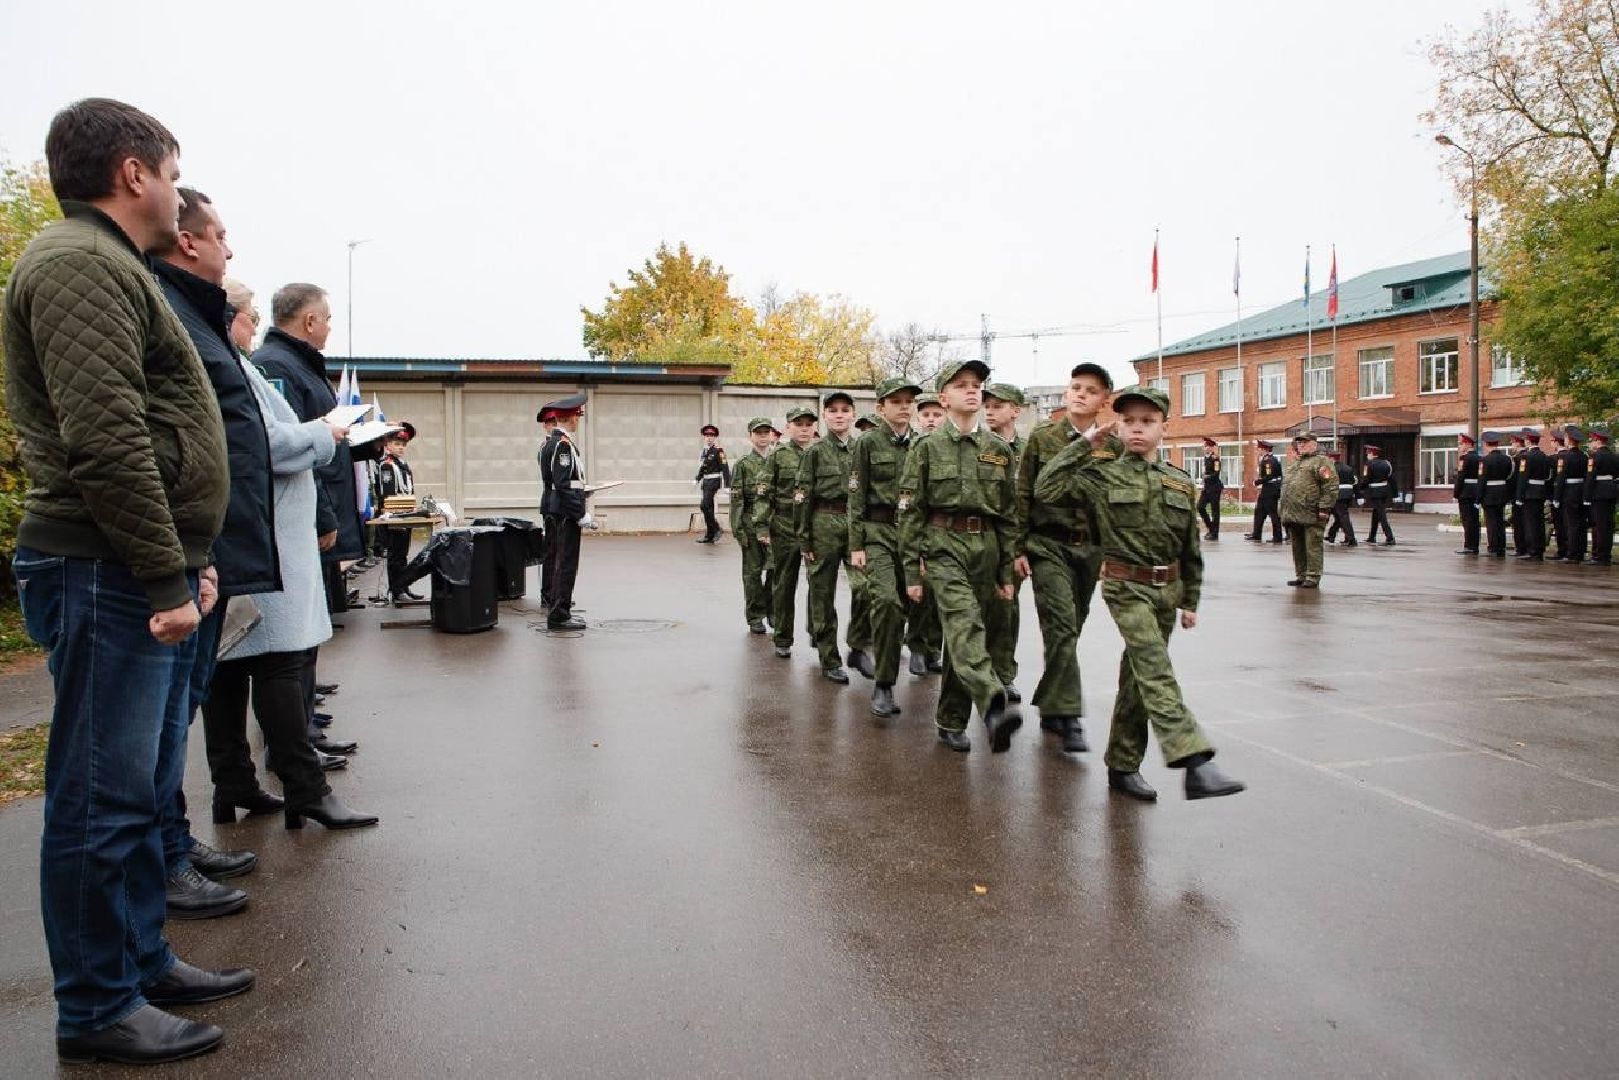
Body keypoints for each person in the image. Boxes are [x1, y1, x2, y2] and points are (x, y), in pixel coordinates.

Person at [5, 97, 247, 1065]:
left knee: (138, 790)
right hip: (103, 569)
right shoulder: (77, 263)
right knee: (100, 800)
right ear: (134, 172)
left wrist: (191, 554)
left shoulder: (112, 264)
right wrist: (162, 577)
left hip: (133, 564)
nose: (181, 194)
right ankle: (98, 1001)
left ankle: (141, 961)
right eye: (173, 172)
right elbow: (106, 443)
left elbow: (155, 428)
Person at [202, 288, 379, 835]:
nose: (254, 327)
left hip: (251, 531)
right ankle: (305, 788)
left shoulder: (237, 361)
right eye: (250, 316)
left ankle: (234, 783)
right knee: (280, 661)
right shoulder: (246, 363)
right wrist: (325, 433)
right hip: (266, 533)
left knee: (230, 667)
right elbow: (267, 445)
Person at [1035, 385, 1245, 803]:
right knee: (1154, 666)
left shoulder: (1179, 482)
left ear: (1165, 428)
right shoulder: (1101, 475)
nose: (1136, 429)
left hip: (1167, 590)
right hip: (1125, 586)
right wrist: (1085, 444)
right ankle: (1193, 761)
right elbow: (1046, 488)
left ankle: (1123, 765)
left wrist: (1190, 600)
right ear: (1117, 426)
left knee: (1137, 678)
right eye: (1128, 421)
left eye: (1147, 421)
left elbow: (1189, 548)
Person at [149, 188, 269, 921]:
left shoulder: (194, 314)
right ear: (189, 241)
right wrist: (184, 560)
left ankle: (172, 841)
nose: (230, 246)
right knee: (159, 725)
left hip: (205, 547)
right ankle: (161, 861)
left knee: (178, 710)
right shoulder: (168, 309)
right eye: (220, 234)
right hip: (183, 553)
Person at [253, 285, 371, 753]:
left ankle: (304, 728)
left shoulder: (298, 364)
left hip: (313, 511)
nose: (328, 327)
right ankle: (296, 742)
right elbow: (294, 449)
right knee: (292, 643)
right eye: (326, 319)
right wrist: (324, 517)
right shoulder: (278, 367)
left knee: (306, 635)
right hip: (300, 518)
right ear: (308, 321)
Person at [897, 359, 1020, 754]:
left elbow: (1008, 514)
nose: (972, 390)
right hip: (943, 545)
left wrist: (1005, 572)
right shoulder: (927, 447)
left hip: (986, 548)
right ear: (944, 397)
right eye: (962, 384)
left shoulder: (998, 450)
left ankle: (951, 719)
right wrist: (911, 571)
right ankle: (993, 704)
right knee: (965, 623)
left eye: (977, 384)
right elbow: (910, 511)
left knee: (961, 637)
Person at [1012, 362, 1113, 753]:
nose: (1081, 394)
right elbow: (1023, 493)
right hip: (1047, 545)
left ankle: (1052, 703)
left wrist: (1110, 553)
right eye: (1076, 387)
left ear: (1104, 400)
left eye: (1091, 390)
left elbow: (1113, 505)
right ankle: (1069, 715)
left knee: (1072, 627)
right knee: (1061, 626)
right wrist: (1018, 547)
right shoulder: (1043, 438)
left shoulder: (1113, 445)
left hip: (1089, 550)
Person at [848, 377, 922, 717]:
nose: (904, 407)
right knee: (887, 602)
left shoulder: (922, 444)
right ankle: (884, 684)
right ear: (881, 408)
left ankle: (902, 655)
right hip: (877, 532)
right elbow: (856, 496)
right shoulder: (867, 443)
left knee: (907, 604)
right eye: (896, 401)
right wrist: (857, 544)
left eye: (909, 401)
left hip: (911, 535)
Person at [795, 391, 872, 682]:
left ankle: (857, 644)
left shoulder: (863, 449)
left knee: (866, 588)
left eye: (845, 410)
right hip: (823, 524)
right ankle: (829, 658)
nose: (839, 415)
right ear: (824, 416)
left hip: (855, 526)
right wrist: (804, 538)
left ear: (853, 414)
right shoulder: (815, 452)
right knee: (822, 595)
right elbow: (802, 497)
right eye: (833, 410)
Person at [752, 406, 818, 658]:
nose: (804, 428)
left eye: (808, 424)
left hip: (815, 528)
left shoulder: (821, 453)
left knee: (819, 584)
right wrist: (761, 525)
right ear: (788, 427)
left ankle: (817, 631)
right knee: (784, 584)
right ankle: (782, 637)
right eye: (798, 424)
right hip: (784, 526)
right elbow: (763, 492)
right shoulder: (778, 456)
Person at [982, 382, 1026, 702]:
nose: (989, 411)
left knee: (1006, 609)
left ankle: (1003, 673)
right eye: (987, 406)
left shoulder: (1030, 452)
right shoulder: (979, 446)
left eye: (997, 406)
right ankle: (975, 673)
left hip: (1015, 543)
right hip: (982, 538)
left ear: (1015, 411)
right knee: (974, 609)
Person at [539, 393, 590, 630]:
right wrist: (580, 513)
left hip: (559, 508)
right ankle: (559, 615)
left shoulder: (553, 443)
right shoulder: (562, 445)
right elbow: (563, 484)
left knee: (560, 560)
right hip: (565, 511)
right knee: (566, 563)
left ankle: (560, 610)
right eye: (577, 416)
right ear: (571, 418)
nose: (578, 420)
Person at [905, 392, 947, 675]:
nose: (931, 420)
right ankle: (918, 647)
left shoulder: (952, 446)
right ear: (918, 418)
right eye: (926, 415)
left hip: (946, 530)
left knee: (941, 595)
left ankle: (934, 648)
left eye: (937, 415)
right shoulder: (914, 447)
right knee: (920, 592)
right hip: (920, 526)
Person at [730, 418, 777, 633]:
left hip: (775, 524)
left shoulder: (778, 459)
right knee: (752, 574)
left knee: (776, 572)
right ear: (751, 436)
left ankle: (773, 611)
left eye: (766, 432)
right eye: (758, 433)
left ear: (772, 435)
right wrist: (738, 530)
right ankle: (755, 616)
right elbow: (737, 500)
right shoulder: (743, 464)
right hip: (750, 524)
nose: (763, 436)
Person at [1280, 433, 1338, 588]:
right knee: (1297, 546)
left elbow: (1330, 487)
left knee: (1313, 545)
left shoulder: (1321, 462)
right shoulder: (1296, 463)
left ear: (1314, 444)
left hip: (1312, 512)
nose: (1301, 445)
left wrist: (1325, 508)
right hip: (1293, 513)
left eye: (1305, 442)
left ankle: (1313, 576)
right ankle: (1301, 575)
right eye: (1299, 442)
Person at [374, 423, 420, 600]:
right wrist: (397, 513)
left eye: (403, 444)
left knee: (403, 554)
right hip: (394, 515)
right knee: (395, 555)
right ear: (387, 445)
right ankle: (397, 590)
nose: (401, 448)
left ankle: (403, 586)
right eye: (397, 444)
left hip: (405, 514)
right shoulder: (387, 465)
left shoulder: (402, 464)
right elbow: (388, 494)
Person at [1514, 429, 1551, 560]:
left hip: (1529, 492)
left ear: (1528, 441)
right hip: (1540, 491)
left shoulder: (1526, 457)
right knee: (1539, 522)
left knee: (1530, 523)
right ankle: (1539, 549)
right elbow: (1547, 475)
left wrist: (1519, 496)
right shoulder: (1544, 456)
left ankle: (1532, 551)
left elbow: (1523, 478)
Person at [1555, 425, 1589, 563]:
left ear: (1568, 439)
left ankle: (1572, 553)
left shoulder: (1564, 457)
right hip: (1581, 491)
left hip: (1569, 492)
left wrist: (1557, 497)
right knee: (1581, 523)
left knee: (1571, 524)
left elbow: (1560, 478)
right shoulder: (1584, 456)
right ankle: (1580, 552)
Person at [1584, 427, 1616, 566]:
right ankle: (1606, 554)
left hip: (1598, 493)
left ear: (1597, 441)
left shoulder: (1594, 456)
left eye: (1592, 440)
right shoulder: (1614, 456)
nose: (1591, 443)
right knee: (1608, 525)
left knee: (1599, 525)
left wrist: (1586, 496)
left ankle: (1599, 556)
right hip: (1611, 492)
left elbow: (1590, 478)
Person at [693, 424, 730, 544]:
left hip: (714, 481)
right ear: (704, 437)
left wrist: (727, 485)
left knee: (705, 505)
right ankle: (710, 534)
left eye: (711, 435)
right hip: (706, 482)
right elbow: (703, 467)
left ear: (715, 437)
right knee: (706, 507)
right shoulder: (704, 451)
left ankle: (716, 528)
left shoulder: (718, 451)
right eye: (707, 435)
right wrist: (698, 478)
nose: (709, 437)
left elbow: (725, 467)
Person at [1479, 432, 1513, 558]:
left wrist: (1478, 497)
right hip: (1502, 492)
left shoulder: (1484, 460)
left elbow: (1482, 480)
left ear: (1486, 444)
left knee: (1491, 522)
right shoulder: (1507, 459)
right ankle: (1501, 547)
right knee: (1500, 520)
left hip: (1489, 493)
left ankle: (1493, 547)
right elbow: (1509, 475)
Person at [1360, 445, 1398, 546]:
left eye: (1368, 453)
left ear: (1372, 454)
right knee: (1376, 513)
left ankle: (1390, 537)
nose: (1367, 455)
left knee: (1381, 515)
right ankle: (1372, 537)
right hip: (1385, 490)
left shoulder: (1368, 464)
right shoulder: (1386, 463)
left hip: (1375, 491)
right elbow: (1392, 478)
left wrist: (1361, 489)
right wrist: (1395, 494)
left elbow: (1366, 479)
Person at [1246, 440, 1284, 542]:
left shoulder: (1268, 461)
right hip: (1268, 489)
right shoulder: (1270, 459)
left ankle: (1277, 537)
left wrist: (1257, 482)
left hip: (1270, 490)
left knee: (1273, 513)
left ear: (1264, 449)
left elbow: (1269, 476)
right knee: (1259, 511)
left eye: (1259, 449)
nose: (1258, 451)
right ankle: (1256, 534)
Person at [1452, 432, 1482, 555]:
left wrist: (1456, 494)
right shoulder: (1480, 458)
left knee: (1467, 520)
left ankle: (1469, 546)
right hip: (1476, 491)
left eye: (1461, 444)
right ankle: (1475, 545)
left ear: (1468, 444)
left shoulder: (1464, 459)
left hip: (1465, 492)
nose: (1460, 446)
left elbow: (1460, 478)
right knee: (1475, 520)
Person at [1324, 452, 1358, 547]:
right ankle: (1331, 535)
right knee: (1339, 516)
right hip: (1348, 494)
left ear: (1331, 459)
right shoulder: (1348, 468)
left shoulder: (1330, 468)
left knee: (1343, 516)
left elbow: (1326, 481)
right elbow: (1354, 481)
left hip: (1337, 494)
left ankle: (1351, 539)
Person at [1196, 437, 1223, 540]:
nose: (1205, 448)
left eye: (1207, 446)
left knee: (1215, 511)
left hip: (1215, 488)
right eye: (1204, 446)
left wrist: (1207, 477)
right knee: (1200, 507)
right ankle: (1211, 528)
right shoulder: (1205, 458)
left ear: (1211, 448)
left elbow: (1216, 473)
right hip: (1207, 488)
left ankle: (1214, 534)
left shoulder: (1215, 459)